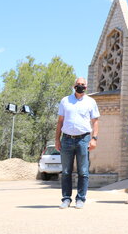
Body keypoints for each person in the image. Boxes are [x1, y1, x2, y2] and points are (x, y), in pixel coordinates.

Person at [55, 77, 100, 209]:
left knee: (83, 171)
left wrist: (94, 138)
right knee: (66, 171)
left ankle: (80, 199)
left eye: (83, 84)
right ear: (74, 86)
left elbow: (95, 121)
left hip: (83, 139)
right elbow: (60, 121)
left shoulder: (91, 102)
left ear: (86, 87)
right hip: (67, 139)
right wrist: (57, 139)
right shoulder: (65, 101)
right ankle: (66, 199)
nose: (80, 86)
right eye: (78, 84)